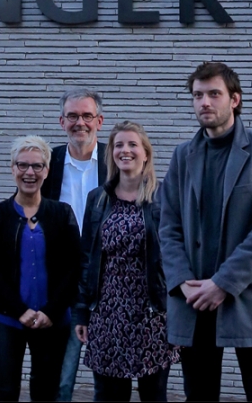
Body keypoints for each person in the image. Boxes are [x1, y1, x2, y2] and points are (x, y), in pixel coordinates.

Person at [160, 62, 252, 403]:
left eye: (214, 94)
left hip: (249, 295)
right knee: (198, 394)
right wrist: (182, 279)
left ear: (234, 99)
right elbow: (168, 225)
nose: (204, 102)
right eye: (197, 95)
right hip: (193, 298)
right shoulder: (183, 155)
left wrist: (223, 284)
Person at [75, 121, 178, 403]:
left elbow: (177, 257)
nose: (125, 150)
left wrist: (179, 312)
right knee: (108, 395)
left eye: (133, 144)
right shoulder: (97, 199)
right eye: (119, 145)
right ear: (112, 153)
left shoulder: (165, 197)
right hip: (107, 312)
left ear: (145, 153)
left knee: (153, 395)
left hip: (153, 313)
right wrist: (82, 312)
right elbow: (87, 259)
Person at [0, 136, 81, 402]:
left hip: (53, 319)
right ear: (12, 168)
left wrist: (51, 310)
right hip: (6, 318)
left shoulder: (62, 213)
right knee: (3, 391)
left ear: (47, 170)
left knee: (47, 390)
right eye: (22, 165)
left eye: (37, 166)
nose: (29, 173)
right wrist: (20, 310)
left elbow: (74, 267)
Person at [41, 88, 109, 401]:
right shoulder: (47, 162)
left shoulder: (116, 159)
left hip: (109, 280)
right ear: (61, 121)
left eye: (86, 116)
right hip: (61, 281)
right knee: (60, 379)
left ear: (99, 120)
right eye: (72, 116)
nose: (79, 122)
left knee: (108, 379)